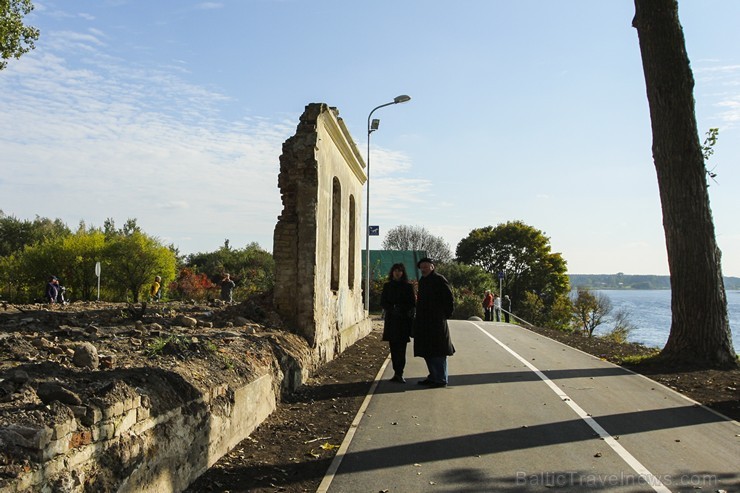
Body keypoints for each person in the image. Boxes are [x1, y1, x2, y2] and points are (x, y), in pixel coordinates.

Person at [413, 257, 455, 388]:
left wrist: (443, 315)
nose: (424, 269)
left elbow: (449, 299)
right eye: (422, 267)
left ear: (432, 267)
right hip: (424, 322)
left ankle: (441, 378)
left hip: (436, 322)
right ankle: (433, 376)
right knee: (427, 351)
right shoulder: (423, 281)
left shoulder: (439, 279)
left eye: (426, 266)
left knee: (438, 351)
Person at [380, 263, 416, 383]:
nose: (397, 273)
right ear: (392, 272)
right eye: (395, 271)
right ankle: (396, 372)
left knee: (401, 348)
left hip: (403, 320)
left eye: (400, 271)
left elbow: (412, 303)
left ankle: (400, 372)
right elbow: (383, 302)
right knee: (393, 348)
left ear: (403, 273)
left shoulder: (407, 286)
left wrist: (401, 308)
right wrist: (392, 308)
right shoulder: (387, 286)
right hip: (391, 320)